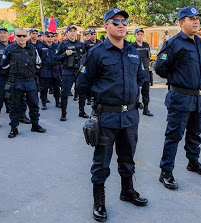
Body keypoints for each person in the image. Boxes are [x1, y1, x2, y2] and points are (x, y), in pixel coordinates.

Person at [77, 8, 148, 222]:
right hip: (106, 117)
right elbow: (82, 84)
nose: (121, 25)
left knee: (127, 158)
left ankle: (127, 191)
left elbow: (141, 77)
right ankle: (99, 201)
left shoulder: (134, 51)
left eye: (124, 22)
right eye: (115, 21)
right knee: (102, 162)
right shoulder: (96, 53)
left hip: (130, 117)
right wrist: (100, 99)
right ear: (106, 25)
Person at [155, 6, 201, 190]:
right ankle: (166, 172)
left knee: (195, 134)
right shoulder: (174, 43)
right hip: (180, 97)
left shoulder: (200, 44)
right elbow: (160, 67)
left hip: (199, 99)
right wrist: (177, 79)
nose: (196, 22)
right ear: (181, 23)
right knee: (174, 136)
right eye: (191, 19)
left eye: (197, 19)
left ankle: (193, 162)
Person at [1, 28, 46, 138]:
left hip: (30, 81)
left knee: (34, 104)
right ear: (15, 37)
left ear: (27, 37)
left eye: (23, 36)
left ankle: (35, 125)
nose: (21, 38)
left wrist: (30, 72)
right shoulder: (9, 49)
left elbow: (39, 63)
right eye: (19, 36)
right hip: (16, 81)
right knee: (15, 106)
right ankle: (14, 128)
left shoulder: (32, 48)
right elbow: (4, 65)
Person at [56, 25, 88, 121]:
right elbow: (56, 58)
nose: (73, 32)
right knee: (65, 93)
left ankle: (82, 111)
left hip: (79, 71)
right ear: (67, 33)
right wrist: (65, 54)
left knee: (82, 93)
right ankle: (63, 113)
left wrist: (85, 70)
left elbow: (86, 58)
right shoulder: (63, 44)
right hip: (67, 71)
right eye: (70, 31)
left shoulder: (81, 44)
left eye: (74, 31)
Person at [37, 31, 61, 110]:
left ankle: (57, 101)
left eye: (52, 36)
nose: (50, 38)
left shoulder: (57, 46)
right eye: (48, 36)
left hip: (55, 69)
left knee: (57, 88)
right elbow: (37, 58)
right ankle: (44, 102)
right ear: (45, 37)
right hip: (45, 69)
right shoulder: (40, 46)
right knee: (44, 88)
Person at [132, 28, 153, 116]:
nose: (140, 36)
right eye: (138, 34)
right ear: (135, 35)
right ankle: (134, 108)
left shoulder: (146, 45)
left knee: (146, 91)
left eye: (141, 34)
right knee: (135, 91)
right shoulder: (132, 46)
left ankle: (146, 108)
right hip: (136, 71)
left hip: (146, 71)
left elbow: (148, 57)